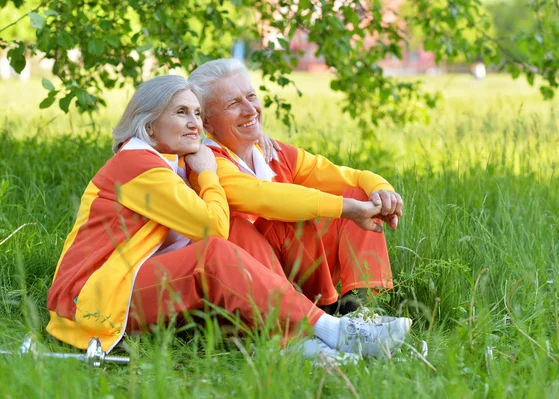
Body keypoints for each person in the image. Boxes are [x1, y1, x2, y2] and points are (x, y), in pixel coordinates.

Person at [45, 74, 411, 361]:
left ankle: (299, 342)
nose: (194, 124)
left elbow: (223, 223)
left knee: (237, 229)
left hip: (137, 282)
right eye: (180, 112)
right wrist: (206, 172)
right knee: (214, 250)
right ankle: (333, 330)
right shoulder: (136, 164)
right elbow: (211, 228)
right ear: (149, 125)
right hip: (91, 297)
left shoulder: (170, 161)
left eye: (198, 114)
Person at [188, 59, 404, 315]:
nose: (250, 110)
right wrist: (345, 208)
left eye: (251, 96)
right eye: (233, 104)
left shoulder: (275, 152)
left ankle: (360, 311)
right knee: (279, 218)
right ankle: (316, 317)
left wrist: (382, 191)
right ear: (208, 124)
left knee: (360, 195)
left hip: (299, 276)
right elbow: (264, 198)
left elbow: (351, 178)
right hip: (247, 287)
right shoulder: (206, 163)